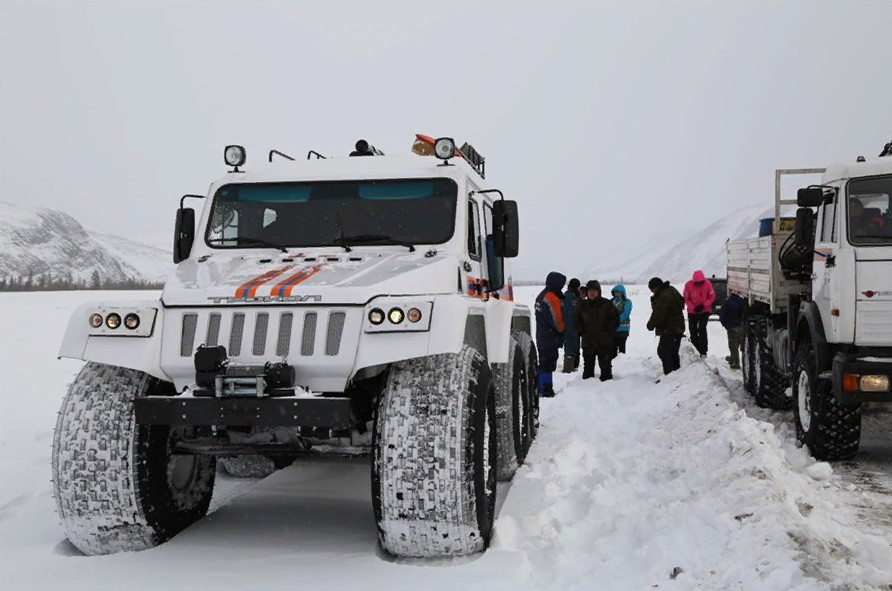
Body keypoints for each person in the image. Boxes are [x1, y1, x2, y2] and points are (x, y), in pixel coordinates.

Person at [575, 280, 620, 381]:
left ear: (598, 291)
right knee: (588, 369)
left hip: (604, 341)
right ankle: (586, 391)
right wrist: (580, 330)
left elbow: (615, 318)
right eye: (589, 290)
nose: (592, 293)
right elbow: (576, 320)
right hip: (588, 341)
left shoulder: (607, 304)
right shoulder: (582, 305)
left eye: (594, 290)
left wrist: (609, 330)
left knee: (606, 368)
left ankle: (607, 389)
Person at [535, 271, 566, 397]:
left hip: (542, 335)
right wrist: (563, 331)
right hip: (550, 337)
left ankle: (541, 387)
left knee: (543, 363)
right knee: (548, 364)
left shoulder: (542, 295)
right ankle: (546, 389)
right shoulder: (551, 298)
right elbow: (557, 320)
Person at [646, 277, 686, 375]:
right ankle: (675, 372)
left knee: (663, 352)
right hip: (677, 327)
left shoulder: (664, 296)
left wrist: (650, 325)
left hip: (670, 329)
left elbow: (659, 313)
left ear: (656, 287)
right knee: (672, 352)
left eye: (652, 289)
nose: (652, 292)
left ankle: (669, 374)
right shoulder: (670, 290)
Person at [683, 270, 714, 357]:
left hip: (704, 311)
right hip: (692, 312)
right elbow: (686, 298)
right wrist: (693, 307)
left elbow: (711, 297)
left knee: (702, 329)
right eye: (697, 282)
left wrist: (703, 306)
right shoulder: (688, 285)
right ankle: (695, 349)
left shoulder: (708, 284)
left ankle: (703, 351)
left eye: (700, 282)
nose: (699, 284)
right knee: (693, 330)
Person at [719, 292, 744, 370]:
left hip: (731, 327)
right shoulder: (742, 301)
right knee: (742, 345)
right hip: (741, 326)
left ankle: (735, 363)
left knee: (733, 346)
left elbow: (722, 314)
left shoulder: (727, 302)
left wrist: (725, 324)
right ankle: (735, 360)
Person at [561, 278, 582, 373]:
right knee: (570, 347)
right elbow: (569, 313)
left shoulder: (569, 295)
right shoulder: (570, 297)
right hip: (570, 326)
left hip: (572, 326)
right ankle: (568, 368)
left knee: (573, 347)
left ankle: (571, 367)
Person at [611, 284, 632, 356]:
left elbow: (625, 314)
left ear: (623, 292)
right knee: (612, 350)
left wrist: (614, 321)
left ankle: (622, 365)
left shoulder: (627, 302)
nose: (617, 293)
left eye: (619, 292)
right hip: (612, 329)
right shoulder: (611, 302)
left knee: (621, 350)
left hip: (623, 329)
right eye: (615, 292)